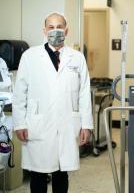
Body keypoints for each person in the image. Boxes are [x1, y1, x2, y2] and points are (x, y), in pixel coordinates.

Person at [13, 12, 93, 193]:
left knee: (61, 172)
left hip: (66, 124)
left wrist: (86, 125)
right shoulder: (30, 56)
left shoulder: (77, 58)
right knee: (38, 174)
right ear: (44, 31)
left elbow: (83, 93)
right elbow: (20, 93)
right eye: (51, 27)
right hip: (39, 124)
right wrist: (19, 123)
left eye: (59, 27)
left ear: (67, 30)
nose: (55, 31)